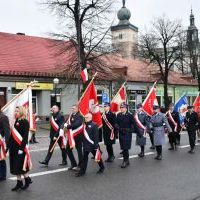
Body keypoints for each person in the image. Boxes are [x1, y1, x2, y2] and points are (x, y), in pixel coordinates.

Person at [8, 106, 32, 191]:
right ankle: (19, 183)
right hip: (14, 148)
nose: (15, 112)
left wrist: (21, 149)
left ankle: (27, 180)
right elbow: (12, 136)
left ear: (21, 112)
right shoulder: (16, 121)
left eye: (17, 111)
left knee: (20, 167)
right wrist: (7, 147)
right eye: (15, 111)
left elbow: (25, 137)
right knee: (15, 167)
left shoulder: (25, 122)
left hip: (20, 148)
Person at [115, 102, 138, 168]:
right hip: (121, 133)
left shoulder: (130, 115)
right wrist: (118, 128)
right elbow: (116, 123)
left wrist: (133, 131)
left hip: (127, 133)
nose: (121, 109)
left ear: (126, 108)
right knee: (123, 147)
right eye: (121, 107)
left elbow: (134, 124)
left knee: (125, 148)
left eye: (123, 107)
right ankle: (127, 160)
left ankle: (125, 161)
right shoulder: (119, 115)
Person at [63, 104, 83, 170]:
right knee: (68, 149)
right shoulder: (71, 115)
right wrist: (63, 125)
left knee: (79, 151)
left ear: (77, 109)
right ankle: (73, 164)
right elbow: (65, 122)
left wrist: (68, 126)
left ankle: (80, 165)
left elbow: (77, 124)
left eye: (74, 108)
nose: (72, 109)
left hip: (78, 136)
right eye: (72, 108)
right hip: (71, 136)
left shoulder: (79, 116)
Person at [0, 109, 10, 181]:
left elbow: (7, 131)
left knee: (1, 159)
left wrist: (7, 144)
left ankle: (2, 175)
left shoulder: (3, 117)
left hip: (0, 140)